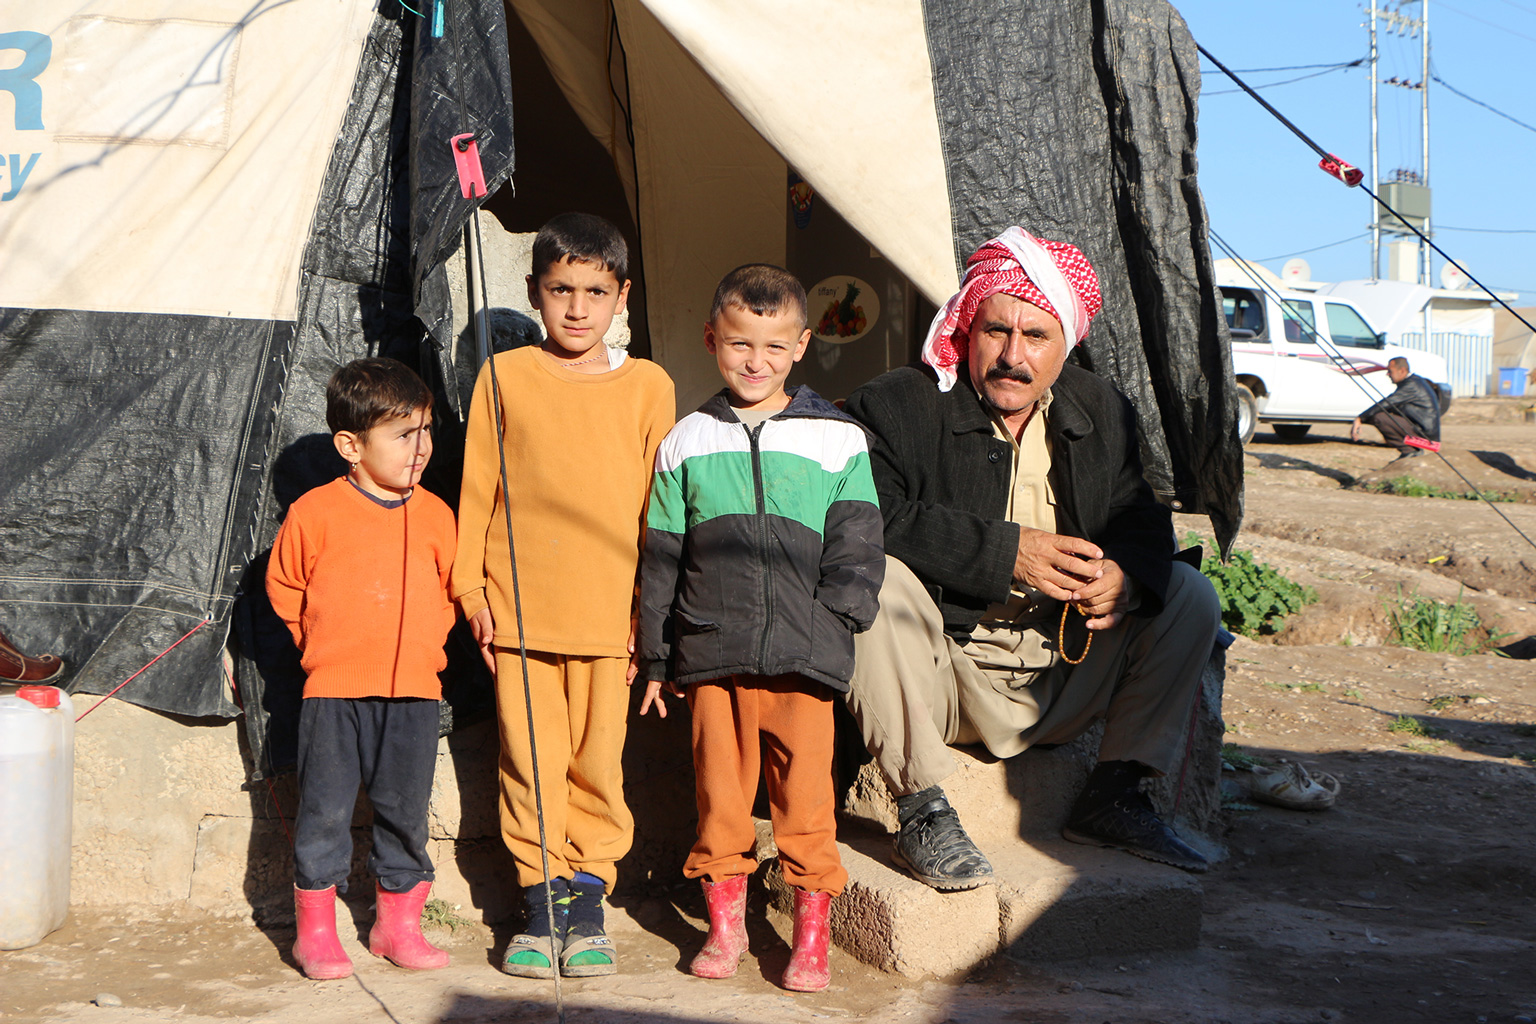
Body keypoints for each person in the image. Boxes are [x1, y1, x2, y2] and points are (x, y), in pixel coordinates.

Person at [841, 227, 1221, 890]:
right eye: (996, 331)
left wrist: (1126, 578)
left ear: (1065, 344)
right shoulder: (899, 402)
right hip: (940, 679)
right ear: (969, 328)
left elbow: (1144, 522)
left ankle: (1117, 795)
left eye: (1035, 337)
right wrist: (1007, 554)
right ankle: (922, 808)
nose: (1012, 356)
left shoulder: (1101, 409)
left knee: (1188, 594)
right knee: (874, 576)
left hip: (1062, 669)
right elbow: (869, 518)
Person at [636, 265, 884, 992]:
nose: (756, 361)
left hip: (804, 661)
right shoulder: (687, 440)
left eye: (774, 347)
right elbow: (661, 556)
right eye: (740, 344)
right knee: (719, 799)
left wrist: (836, 621)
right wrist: (657, 654)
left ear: (801, 345)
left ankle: (811, 938)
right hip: (715, 652)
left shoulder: (836, 439)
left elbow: (859, 541)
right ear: (713, 339)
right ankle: (726, 927)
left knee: (806, 801)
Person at [453, 212, 675, 979]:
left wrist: (649, 620)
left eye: (594, 291)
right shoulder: (504, 376)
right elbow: (477, 486)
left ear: (622, 297)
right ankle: (538, 904)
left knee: (597, 767)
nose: (577, 308)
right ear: (533, 292)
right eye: (560, 291)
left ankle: (588, 900)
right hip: (519, 616)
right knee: (530, 764)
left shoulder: (650, 386)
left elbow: (660, 512)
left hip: (610, 622)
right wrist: (469, 587)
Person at [266, 357, 458, 980]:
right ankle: (316, 932)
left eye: (425, 431)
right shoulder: (314, 513)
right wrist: (325, 646)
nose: (420, 448)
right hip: (333, 692)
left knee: (405, 811)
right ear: (351, 445)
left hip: (414, 696)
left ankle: (396, 925)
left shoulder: (435, 515)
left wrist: (425, 646)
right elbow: (285, 587)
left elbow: (451, 594)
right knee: (324, 810)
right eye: (403, 435)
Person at [1350, 356, 1440, 459]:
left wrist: (1360, 418)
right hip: (1423, 430)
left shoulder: (1411, 385)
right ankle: (1411, 450)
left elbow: (1387, 403)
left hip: (1426, 437)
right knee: (1383, 414)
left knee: (1379, 417)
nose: (1387, 374)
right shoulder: (1414, 381)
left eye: (1390, 371)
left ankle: (1409, 450)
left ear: (1402, 371)